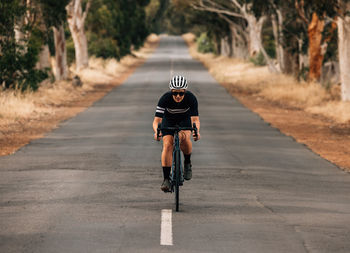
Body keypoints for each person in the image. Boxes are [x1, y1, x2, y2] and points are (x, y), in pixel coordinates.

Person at [153, 75, 200, 192]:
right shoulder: (165, 98)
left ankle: (187, 162)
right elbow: (156, 121)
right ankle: (166, 179)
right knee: (168, 144)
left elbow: (195, 120)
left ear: (185, 92)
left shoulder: (191, 98)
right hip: (169, 120)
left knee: (184, 137)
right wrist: (156, 132)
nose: (178, 96)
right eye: (175, 93)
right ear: (171, 91)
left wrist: (196, 131)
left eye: (181, 93)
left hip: (184, 119)